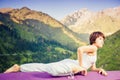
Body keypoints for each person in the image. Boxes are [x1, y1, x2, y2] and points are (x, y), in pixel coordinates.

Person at [4, 31, 107, 76]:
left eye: (103, 39)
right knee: (49, 69)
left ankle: (19, 68)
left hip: (73, 65)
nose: (103, 41)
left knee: (45, 67)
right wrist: (81, 67)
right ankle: (18, 68)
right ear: (94, 40)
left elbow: (92, 67)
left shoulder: (94, 50)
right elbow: (80, 49)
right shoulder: (93, 48)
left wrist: (99, 69)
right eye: (100, 38)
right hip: (73, 66)